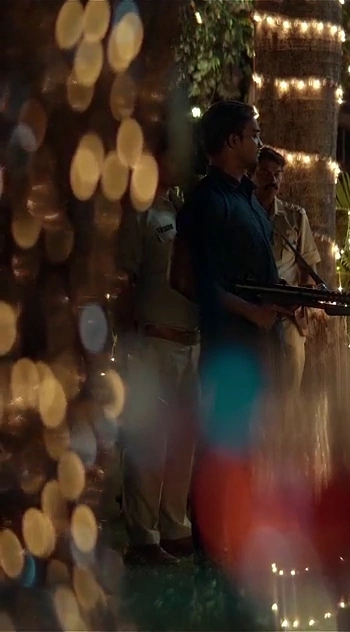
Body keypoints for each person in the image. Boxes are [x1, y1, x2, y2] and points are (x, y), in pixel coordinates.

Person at [171, 100, 291, 557]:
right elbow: (190, 279)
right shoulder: (207, 200)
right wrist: (250, 311)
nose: (259, 142)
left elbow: (257, 272)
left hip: (257, 344)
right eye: (254, 134)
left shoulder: (247, 199)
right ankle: (213, 545)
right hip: (229, 345)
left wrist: (284, 300)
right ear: (232, 140)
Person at [116, 133, 199, 565]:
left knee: (182, 441)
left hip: (190, 342)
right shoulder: (138, 211)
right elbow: (124, 279)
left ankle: (174, 525)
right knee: (149, 439)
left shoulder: (182, 208)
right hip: (152, 341)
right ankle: (143, 537)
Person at [252, 147, 324, 398]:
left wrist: (300, 301)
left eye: (277, 174)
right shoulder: (241, 214)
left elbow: (308, 267)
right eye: (265, 173)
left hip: (288, 318)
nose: (272, 180)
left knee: (288, 396)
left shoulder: (294, 217)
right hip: (252, 316)